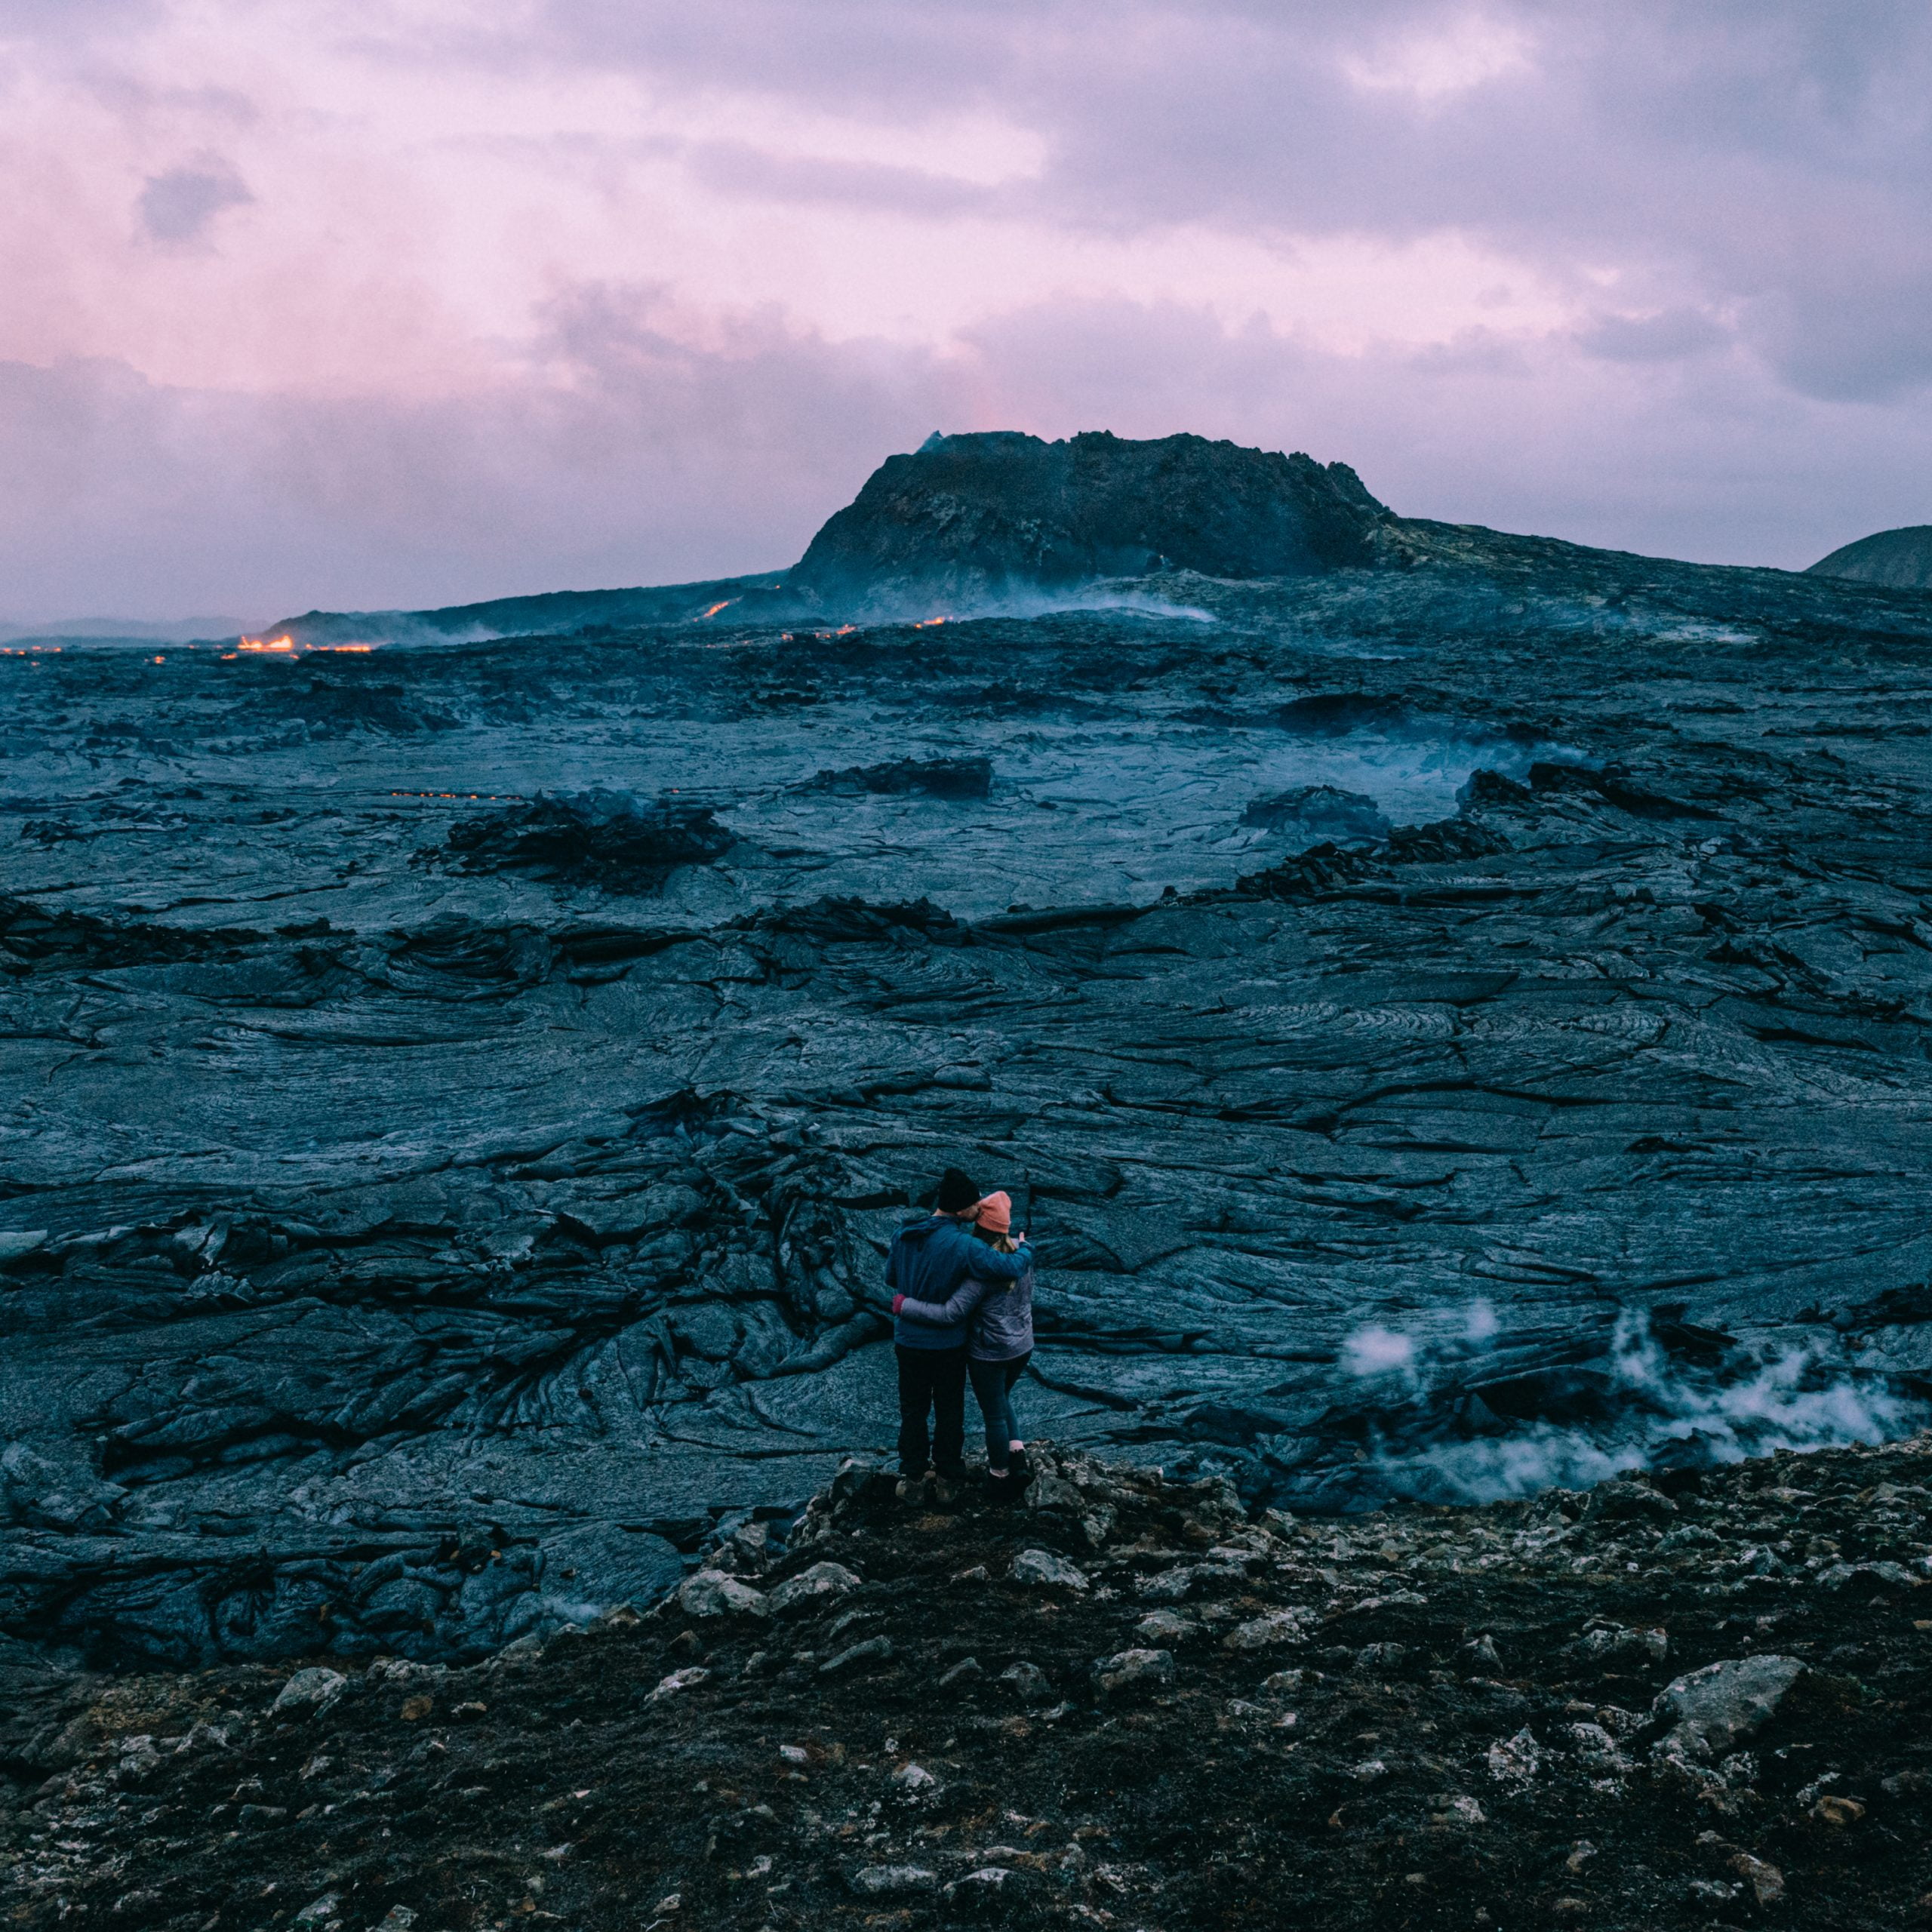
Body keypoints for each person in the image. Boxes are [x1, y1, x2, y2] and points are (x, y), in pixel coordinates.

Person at [884, 1168, 1032, 1505]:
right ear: (961, 1209)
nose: (979, 1210)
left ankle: (913, 1478)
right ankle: (949, 1479)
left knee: (912, 1409)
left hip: (907, 1341)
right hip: (948, 1344)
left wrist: (912, 1292)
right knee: (949, 1410)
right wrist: (1026, 1250)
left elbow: (891, 1276)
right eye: (975, 1206)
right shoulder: (964, 1245)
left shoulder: (903, 1234)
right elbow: (1009, 1268)